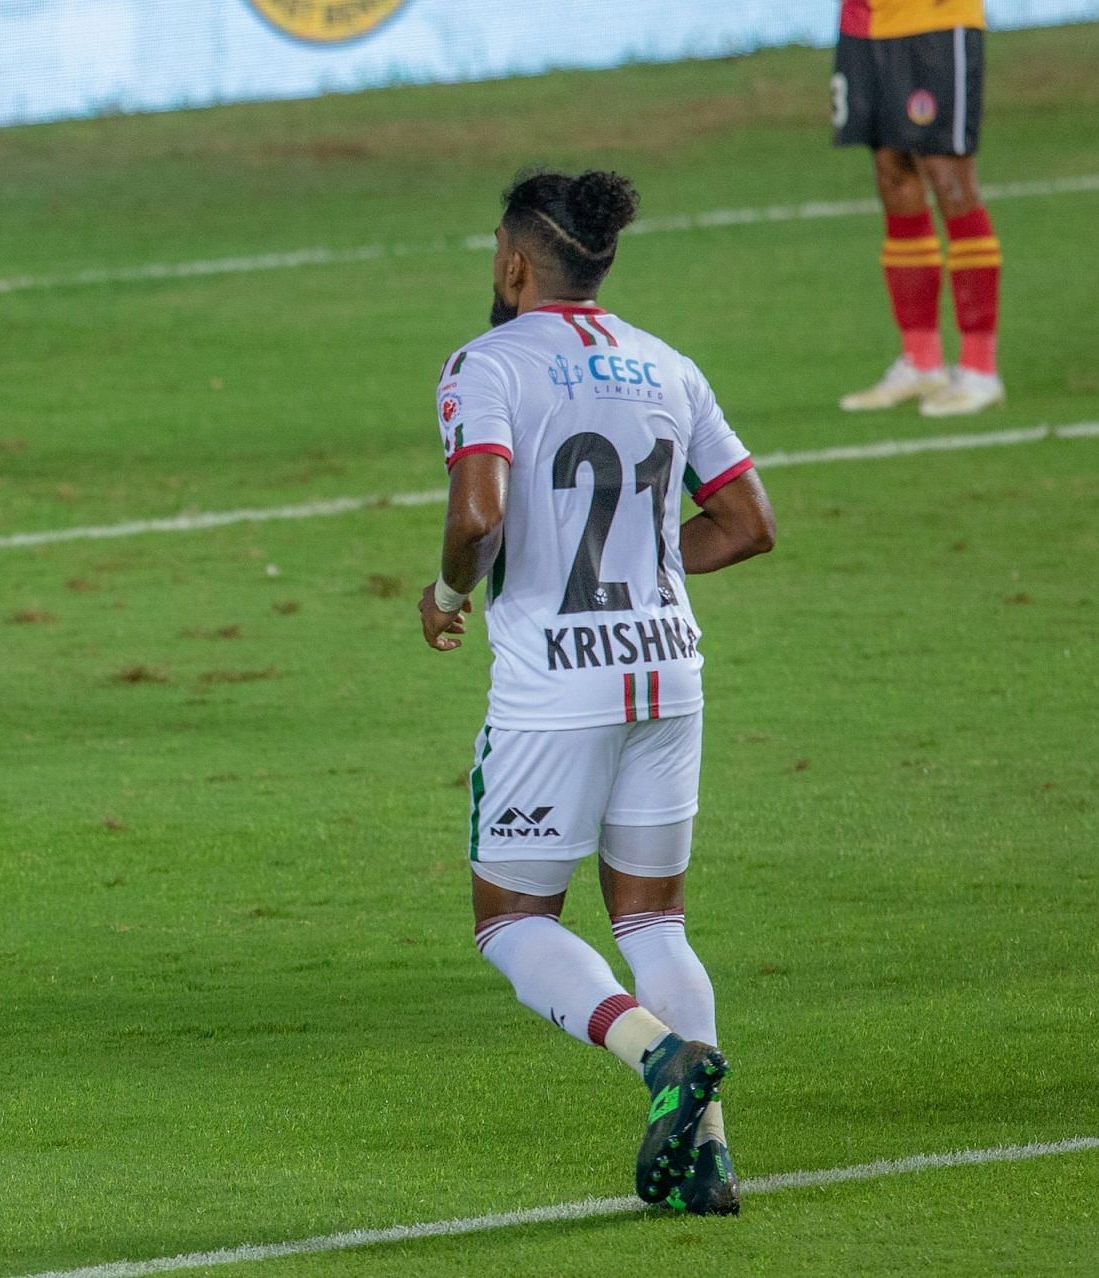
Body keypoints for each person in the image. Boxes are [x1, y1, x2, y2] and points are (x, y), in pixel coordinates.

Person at [418, 169, 776, 1213]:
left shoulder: (486, 365)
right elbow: (751, 523)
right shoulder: (670, 364)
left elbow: (479, 514)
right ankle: (707, 1159)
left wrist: (445, 593)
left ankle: (660, 1059)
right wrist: (651, 561)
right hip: (670, 670)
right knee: (654, 920)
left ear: (517, 262)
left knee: (511, 920)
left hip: (554, 690)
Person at [832, 0, 1003, 416]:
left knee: (947, 173)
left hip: (936, 18)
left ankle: (979, 369)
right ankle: (922, 362)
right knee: (892, 173)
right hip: (865, 23)